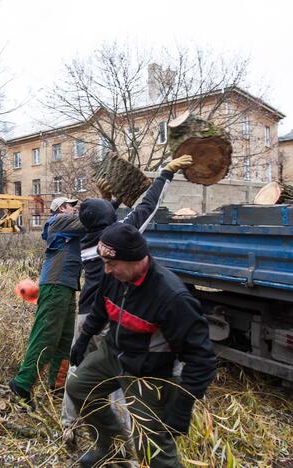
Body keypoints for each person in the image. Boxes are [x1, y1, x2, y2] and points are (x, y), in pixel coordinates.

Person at [61, 155, 194, 433]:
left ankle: (68, 425)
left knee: (79, 370)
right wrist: (165, 174)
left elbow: (103, 215)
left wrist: (109, 200)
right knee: (120, 373)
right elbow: (148, 206)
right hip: (109, 314)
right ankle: (122, 434)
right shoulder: (118, 236)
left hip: (86, 314)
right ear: (109, 221)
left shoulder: (88, 240)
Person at [66, 223, 216, 468]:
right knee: (79, 388)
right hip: (113, 353)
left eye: (112, 264)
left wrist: (183, 405)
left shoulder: (171, 297)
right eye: (104, 263)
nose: (107, 270)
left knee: (150, 443)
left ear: (136, 260)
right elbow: (101, 308)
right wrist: (84, 338)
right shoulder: (112, 277)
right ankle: (111, 449)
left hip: (148, 371)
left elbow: (202, 359)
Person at [8, 196, 86, 409]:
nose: (74, 208)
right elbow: (89, 219)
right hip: (55, 285)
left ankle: (58, 387)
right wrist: (103, 206)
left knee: (64, 339)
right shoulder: (58, 221)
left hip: (67, 286)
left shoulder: (69, 226)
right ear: (61, 208)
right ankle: (22, 384)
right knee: (46, 336)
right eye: (72, 205)